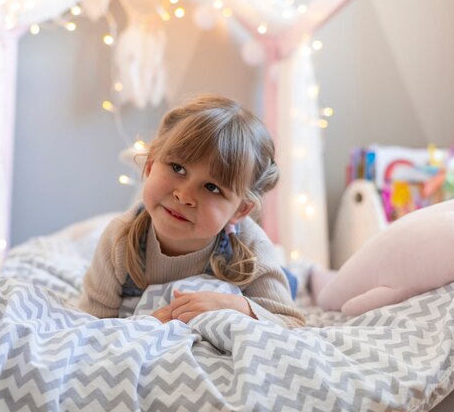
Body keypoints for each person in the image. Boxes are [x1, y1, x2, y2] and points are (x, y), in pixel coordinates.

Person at [77, 95, 305, 328]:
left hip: (254, 281)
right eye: (177, 168)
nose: (184, 196)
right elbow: (94, 323)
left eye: (212, 188)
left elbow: (291, 322)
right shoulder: (119, 240)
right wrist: (147, 325)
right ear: (151, 163)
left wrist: (234, 306)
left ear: (240, 210)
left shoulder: (251, 245)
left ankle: (303, 277)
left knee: (288, 279)